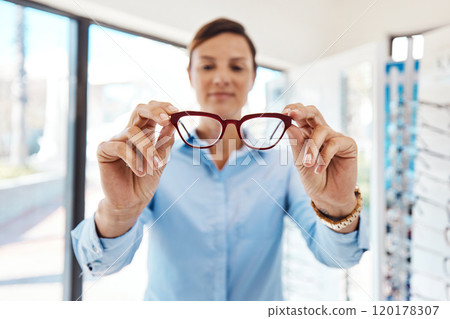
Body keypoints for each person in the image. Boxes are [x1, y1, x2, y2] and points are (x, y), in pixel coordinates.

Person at [71, 18, 369, 301]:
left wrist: (338, 206)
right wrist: (119, 212)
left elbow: (340, 257)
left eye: (237, 67)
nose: (222, 77)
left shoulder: (288, 167)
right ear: (191, 75)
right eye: (208, 65)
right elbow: (101, 265)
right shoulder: (153, 164)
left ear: (253, 77)